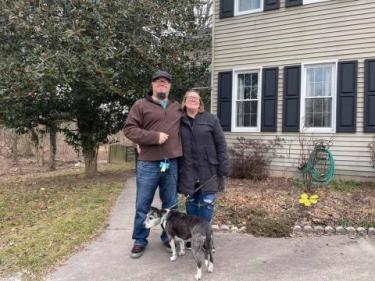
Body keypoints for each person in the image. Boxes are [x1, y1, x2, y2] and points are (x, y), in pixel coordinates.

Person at [123, 70, 182, 258]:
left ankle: (168, 236)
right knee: (143, 204)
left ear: (170, 86)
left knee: (170, 205)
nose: (162, 84)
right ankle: (140, 239)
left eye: (165, 82)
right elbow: (129, 130)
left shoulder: (176, 107)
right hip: (148, 164)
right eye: (158, 82)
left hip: (171, 163)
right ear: (152, 85)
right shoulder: (140, 105)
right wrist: (153, 137)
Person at [178, 89, 229, 226]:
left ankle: (205, 235)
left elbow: (221, 144)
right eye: (190, 97)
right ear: (184, 101)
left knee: (207, 204)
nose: (194, 100)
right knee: (191, 203)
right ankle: (193, 235)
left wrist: (223, 168)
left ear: (200, 102)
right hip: (188, 170)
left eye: (196, 98)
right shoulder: (178, 120)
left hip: (209, 170)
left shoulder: (211, 119)